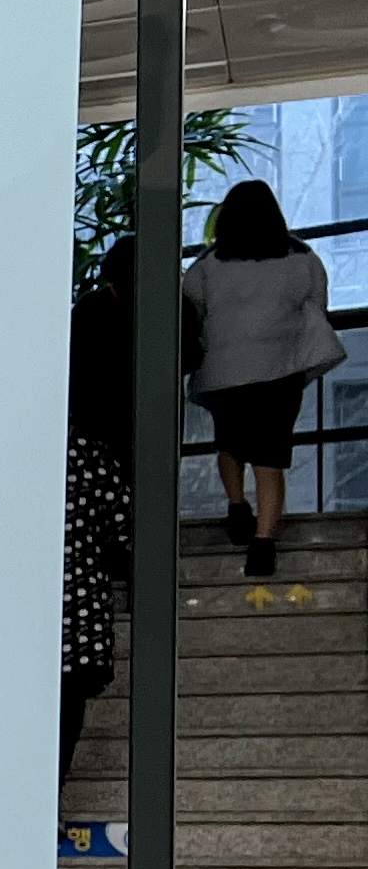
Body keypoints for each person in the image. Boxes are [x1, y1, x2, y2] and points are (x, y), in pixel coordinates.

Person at [186, 179, 344, 579]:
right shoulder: (303, 259)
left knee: (229, 444)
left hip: (224, 372)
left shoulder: (207, 265)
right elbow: (318, 305)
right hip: (280, 371)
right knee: (270, 457)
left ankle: (238, 506)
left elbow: (192, 313)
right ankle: (263, 542)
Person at [66, 236, 137, 788]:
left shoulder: (16, 460)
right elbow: (121, 523)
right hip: (79, 613)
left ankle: (28, 809)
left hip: (20, 620)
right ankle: (49, 798)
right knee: (66, 713)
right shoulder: (87, 458)